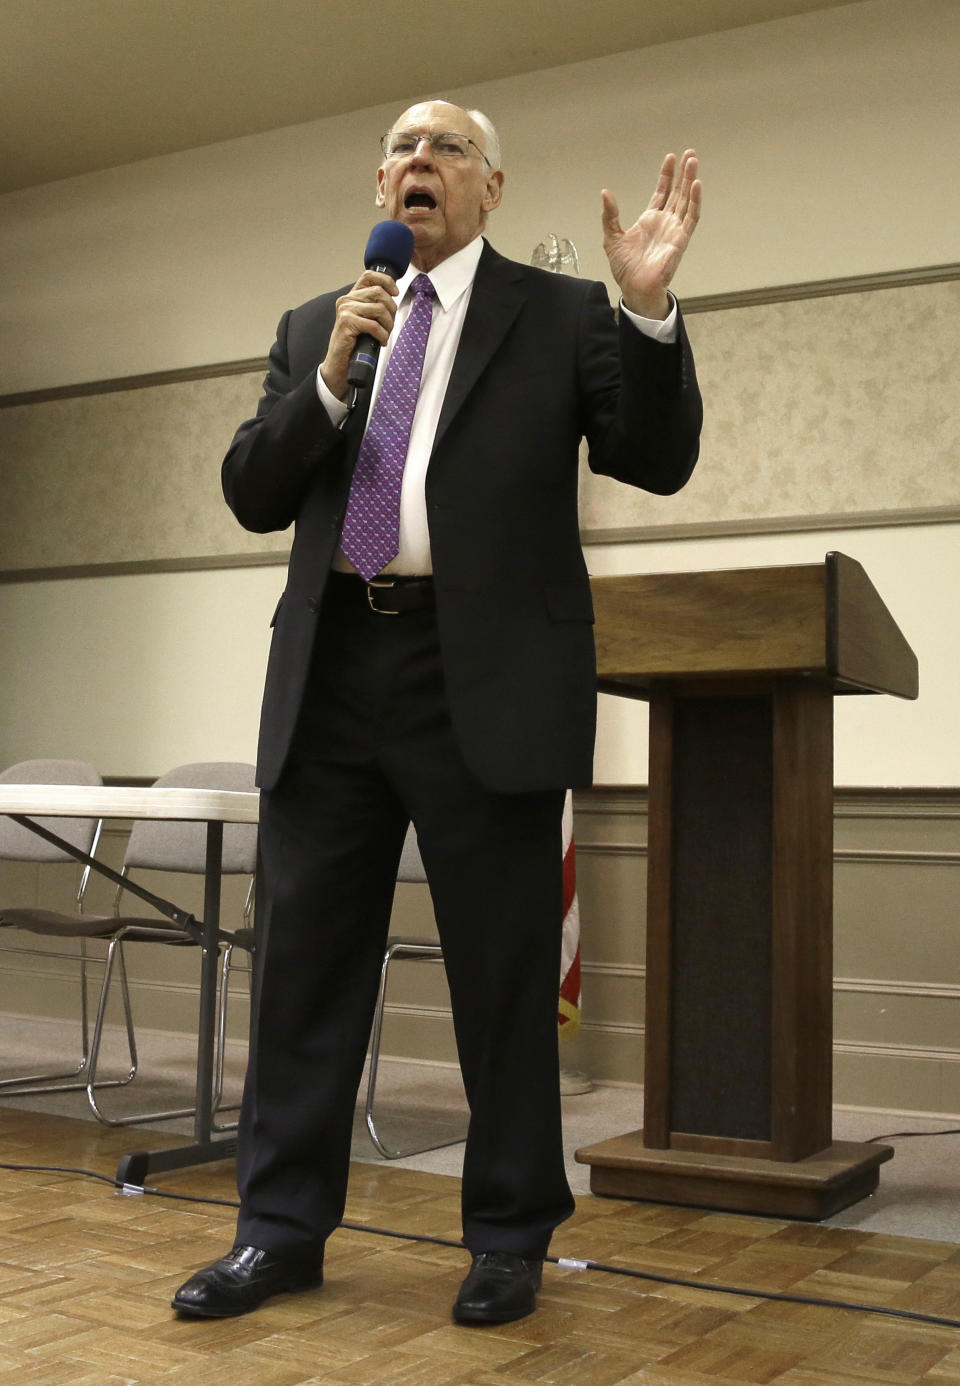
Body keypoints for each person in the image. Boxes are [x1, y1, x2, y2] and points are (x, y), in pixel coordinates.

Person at [173, 98, 702, 1327]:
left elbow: (656, 455)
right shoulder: (321, 322)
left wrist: (649, 313)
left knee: (503, 979)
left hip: (487, 682)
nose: (419, 164)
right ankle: (279, 1232)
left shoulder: (562, 315)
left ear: (492, 190)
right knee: (302, 975)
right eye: (401, 150)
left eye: (446, 149)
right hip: (332, 674)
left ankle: (510, 1234)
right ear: (378, 182)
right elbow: (254, 491)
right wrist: (328, 376)